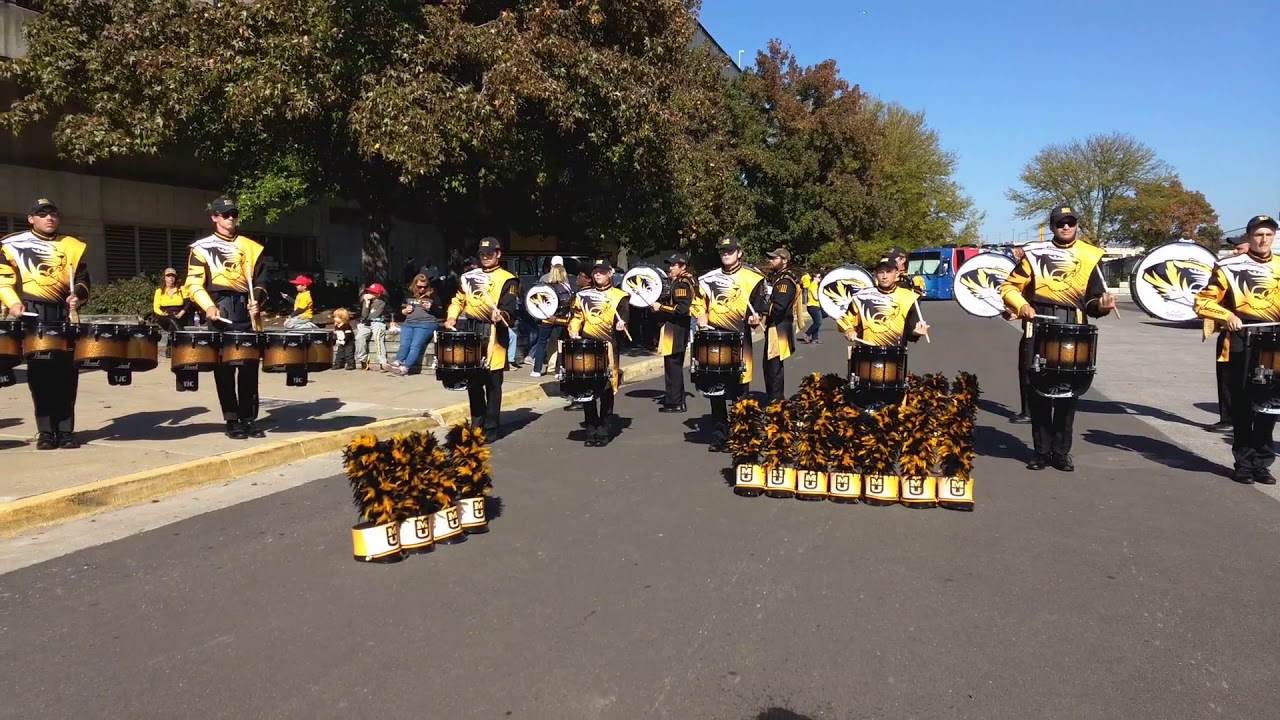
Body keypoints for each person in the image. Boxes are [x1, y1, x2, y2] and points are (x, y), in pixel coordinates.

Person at [999, 205, 1116, 472]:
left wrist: (1102, 307)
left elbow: (1092, 303)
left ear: (1076, 225)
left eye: (1070, 222)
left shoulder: (1090, 256)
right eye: (1061, 223)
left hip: (1073, 332)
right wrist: (1021, 305)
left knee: (1067, 393)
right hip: (1039, 329)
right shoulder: (1033, 254)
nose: (1066, 227)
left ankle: (1061, 452)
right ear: (1052, 226)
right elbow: (1009, 286)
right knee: (1038, 392)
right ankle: (1041, 452)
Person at [1194, 215, 1280, 485]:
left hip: (1274, 341)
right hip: (1242, 340)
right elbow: (1202, 302)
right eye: (1258, 234)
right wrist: (1226, 315)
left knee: (1269, 404)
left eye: (1268, 234)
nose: (1263, 240)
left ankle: (1262, 463)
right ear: (1249, 237)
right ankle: (1243, 463)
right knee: (1242, 405)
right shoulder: (1228, 267)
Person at [0, 197, 91, 449]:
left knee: (67, 374)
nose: (49, 218)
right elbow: (3, 280)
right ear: (31, 219)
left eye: (53, 213)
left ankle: (65, 431)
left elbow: (83, 280)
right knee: (40, 375)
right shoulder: (12, 244)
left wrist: (78, 295)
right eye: (42, 214)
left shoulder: (72, 245)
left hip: (64, 315)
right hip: (33, 314)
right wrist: (13, 302)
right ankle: (46, 432)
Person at [184, 195, 269, 440]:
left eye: (234, 214)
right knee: (224, 369)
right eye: (225, 214)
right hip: (219, 311)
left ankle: (249, 418)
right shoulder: (200, 248)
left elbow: (262, 281)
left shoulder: (251, 247)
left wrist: (257, 300)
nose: (231, 218)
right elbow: (193, 284)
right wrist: (208, 307)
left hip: (246, 311)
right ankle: (232, 420)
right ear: (215, 217)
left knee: (249, 368)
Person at [691, 236, 767, 452]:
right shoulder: (707, 279)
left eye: (730, 251)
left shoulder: (753, 278)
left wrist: (756, 318)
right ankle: (719, 436)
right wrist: (701, 313)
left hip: (740, 340)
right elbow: (698, 303)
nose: (726, 254)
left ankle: (742, 437)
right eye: (723, 251)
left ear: (739, 253)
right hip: (714, 338)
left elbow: (759, 308)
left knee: (740, 392)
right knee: (715, 392)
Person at [444, 237, 519, 435]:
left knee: (493, 382)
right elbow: (458, 300)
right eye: (482, 254)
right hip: (472, 330)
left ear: (498, 254)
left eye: (490, 254)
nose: (486, 257)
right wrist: (452, 316)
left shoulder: (508, 279)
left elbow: (510, 307)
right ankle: (477, 424)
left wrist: (501, 315)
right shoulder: (469, 277)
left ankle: (492, 426)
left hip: (494, 332)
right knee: (473, 380)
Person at [568, 258, 630, 446]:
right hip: (587, 346)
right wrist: (573, 329)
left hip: (608, 347)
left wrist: (622, 324)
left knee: (606, 390)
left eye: (602, 272)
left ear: (610, 273)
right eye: (595, 272)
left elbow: (624, 318)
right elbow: (577, 316)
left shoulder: (620, 296)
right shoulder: (582, 295)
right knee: (586, 389)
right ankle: (591, 430)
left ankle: (603, 430)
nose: (598, 275)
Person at [1209, 237, 1252, 432]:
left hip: (1254, 333)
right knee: (1227, 376)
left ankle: (1237, 420)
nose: (1234, 251)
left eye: (1239, 248)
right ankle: (1228, 419)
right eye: (1234, 248)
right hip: (1231, 332)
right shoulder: (1227, 269)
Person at [837, 257, 929, 346]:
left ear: (897, 273)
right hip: (864, 351)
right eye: (881, 272)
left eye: (889, 272)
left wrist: (916, 333)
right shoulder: (861, 297)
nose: (885, 276)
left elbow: (910, 334)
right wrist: (849, 330)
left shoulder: (910, 297)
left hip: (895, 352)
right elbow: (845, 319)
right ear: (875, 274)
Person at [654, 252, 695, 412]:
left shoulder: (681, 284)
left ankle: (675, 402)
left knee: (673, 365)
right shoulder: (683, 280)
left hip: (675, 328)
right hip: (678, 328)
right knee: (673, 365)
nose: (670, 268)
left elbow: (682, 308)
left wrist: (661, 307)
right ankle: (675, 399)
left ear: (683, 266)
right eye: (669, 265)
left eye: (673, 265)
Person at [1000, 239, 1033, 424]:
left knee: (1029, 369)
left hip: (1038, 330)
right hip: (1030, 327)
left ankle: (1030, 412)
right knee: (1026, 369)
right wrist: (1016, 313)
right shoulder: (1027, 270)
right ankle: (1027, 410)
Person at [762, 247, 800, 402]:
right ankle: (773, 398)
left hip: (779, 327)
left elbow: (778, 308)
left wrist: (761, 307)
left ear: (784, 260)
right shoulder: (779, 277)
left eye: (774, 258)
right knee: (770, 365)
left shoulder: (785, 281)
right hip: (776, 326)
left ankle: (776, 401)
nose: (770, 261)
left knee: (774, 367)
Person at [389, 273, 440, 376]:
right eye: (419, 287)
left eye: (425, 287)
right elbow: (400, 312)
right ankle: (397, 362)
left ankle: (405, 368)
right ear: (414, 285)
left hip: (426, 324)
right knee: (404, 344)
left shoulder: (432, 294)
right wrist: (405, 311)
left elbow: (441, 311)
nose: (422, 289)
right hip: (409, 323)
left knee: (415, 346)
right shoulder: (409, 294)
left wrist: (431, 307)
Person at [530, 257, 572, 377]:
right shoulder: (566, 286)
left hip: (547, 318)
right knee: (560, 344)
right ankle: (558, 371)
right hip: (561, 319)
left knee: (542, 343)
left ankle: (536, 370)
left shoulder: (545, 286)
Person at [354, 282, 388, 371]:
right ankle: (363, 360)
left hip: (378, 323)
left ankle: (382, 362)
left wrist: (367, 316)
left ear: (378, 294)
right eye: (369, 292)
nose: (370, 293)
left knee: (377, 338)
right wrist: (366, 303)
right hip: (367, 324)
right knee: (359, 337)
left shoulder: (381, 303)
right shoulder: (366, 302)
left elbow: (373, 316)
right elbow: (364, 316)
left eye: (373, 292)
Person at [152, 267, 189, 333]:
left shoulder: (181, 289)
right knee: (171, 319)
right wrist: (162, 313)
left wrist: (180, 314)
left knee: (173, 321)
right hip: (165, 316)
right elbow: (156, 307)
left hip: (179, 315)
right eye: (168, 276)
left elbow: (187, 304)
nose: (171, 278)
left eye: (173, 276)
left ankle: (172, 337)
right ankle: (183, 336)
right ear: (165, 278)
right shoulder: (159, 291)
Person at [799, 267, 824, 344]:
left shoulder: (815, 285)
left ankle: (814, 339)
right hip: (813, 306)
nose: (820, 278)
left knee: (816, 322)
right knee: (818, 322)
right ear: (814, 278)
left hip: (815, 306)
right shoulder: (813, 285)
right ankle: (807, 333)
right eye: (818, 277)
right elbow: (815, 297)